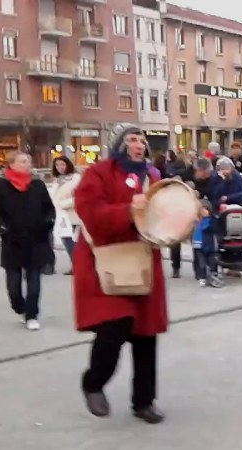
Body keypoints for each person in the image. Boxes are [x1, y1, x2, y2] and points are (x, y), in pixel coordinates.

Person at [73, 123, 167, 424]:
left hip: (142, 261)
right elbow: (89, 212)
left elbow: (163, 217)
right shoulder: (98, 173)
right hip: (107, 261)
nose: (138, 145)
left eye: (142, 140)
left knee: (145, 335)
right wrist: (128, 209)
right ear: (118, 144)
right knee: (115, 324)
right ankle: (94, 381)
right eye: (132, 139)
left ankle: (144, 401)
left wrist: (187, 213)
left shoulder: (153, 176)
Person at [0, 151, 55, 331]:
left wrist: (48, 223)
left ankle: (32, 314)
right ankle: (20, 307)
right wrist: (3, 230)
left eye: (28, 161)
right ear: (11, 164)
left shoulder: (37, 185)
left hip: (36, 240)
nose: (27, 165)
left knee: (34, 279)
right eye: (23, 161)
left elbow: (49, 209)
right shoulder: (1, 186)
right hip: (13, 241)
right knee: (14, 286)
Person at [50, 155, 81, 275]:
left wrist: (62, 204)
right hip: (60, 214)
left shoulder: (76, 178)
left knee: (68, 239)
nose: (60, 167)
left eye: (62, 164)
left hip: (71, 212)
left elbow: (78, 196)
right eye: (57, 165)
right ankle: (76, 264)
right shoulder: (57, 180)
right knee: (65, 238)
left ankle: (77, 265)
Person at [191, 199, 219, 287]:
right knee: (201, 263)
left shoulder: (212, 220)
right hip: (199, 246)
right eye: (201, 209)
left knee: (213, 262)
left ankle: (214, 276)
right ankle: (202, 277)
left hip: (210, 246)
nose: (203, 211)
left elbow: (215, 230)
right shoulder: (196, 221)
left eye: (205, 209)